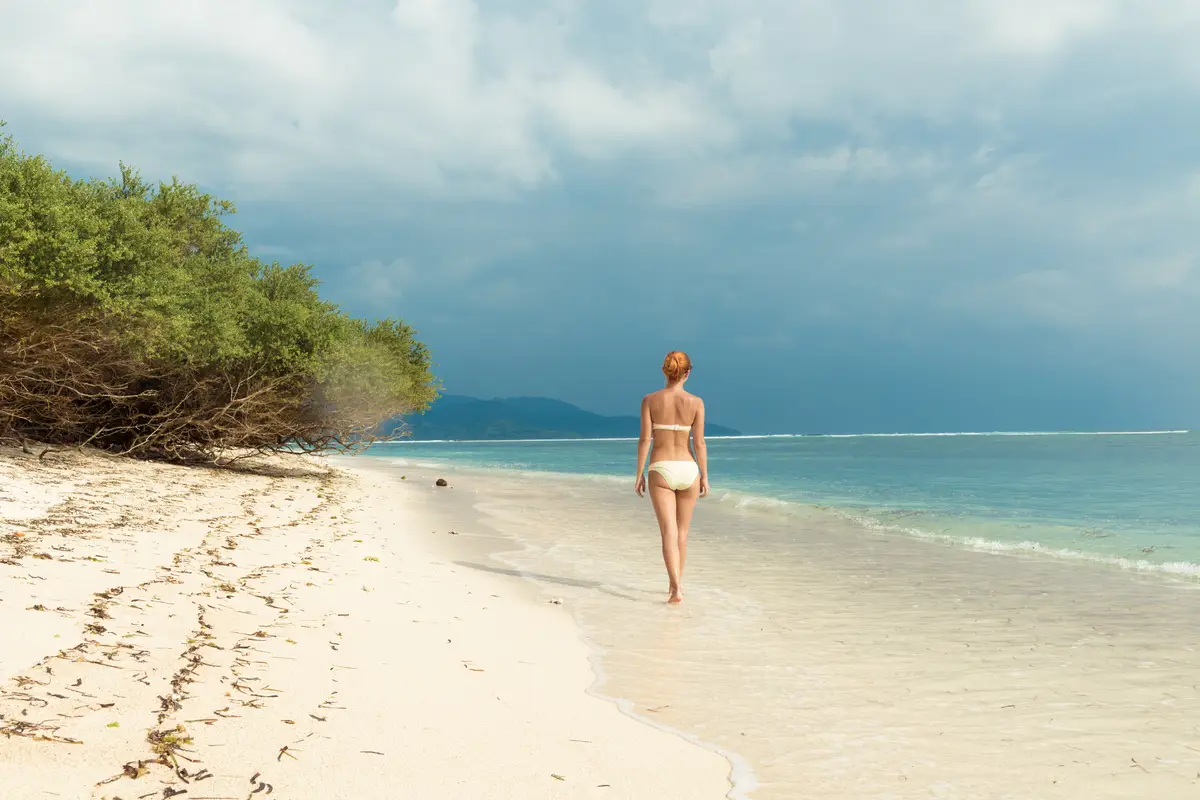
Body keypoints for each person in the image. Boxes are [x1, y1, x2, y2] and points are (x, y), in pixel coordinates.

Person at [635, 350, 709, 604]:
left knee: (668, 531)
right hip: (689, 470)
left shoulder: (649, 400)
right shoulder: (696, 402)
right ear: (687, 373)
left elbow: (645, 439)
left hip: (661, 467)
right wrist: (705, 477)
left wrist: (639, 473)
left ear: (664, 371)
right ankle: (677, 585)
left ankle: (674, 586)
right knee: (682, 534)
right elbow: (699, 443)